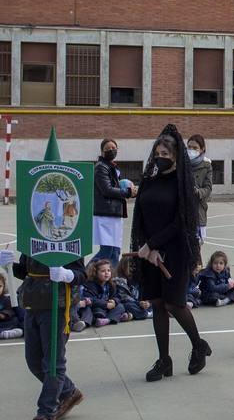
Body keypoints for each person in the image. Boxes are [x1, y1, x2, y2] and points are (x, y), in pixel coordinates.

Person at [130, 124, 209, 382]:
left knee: (174, 303)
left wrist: (153, 245)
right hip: (148, 251)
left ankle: (198, 345)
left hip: (174, 251)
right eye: (158, 154)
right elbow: (139, 215)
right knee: (157, 303)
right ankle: (164, 360)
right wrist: (145, 247)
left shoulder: (183, 185)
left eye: (166, 154)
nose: (161, 158)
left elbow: (181, 222)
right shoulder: (150, 180)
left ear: (176, 156)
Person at [2, 243, 86, 420]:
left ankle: (46, 414)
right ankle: (69, 391)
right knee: (34, 361)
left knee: (53, 363)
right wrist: (9, 265)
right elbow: (25, 271)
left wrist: (68, 275)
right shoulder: (32, 239)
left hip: (57, 305)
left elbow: (82, 274)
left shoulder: (70, 239)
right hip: (33, 301)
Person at [92, 138, 134, 267]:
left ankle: (112, 280)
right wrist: (128, 192)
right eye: (108, 149)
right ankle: (85, 275)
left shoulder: (112, 167)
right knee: (107, 251)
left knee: (115, 252)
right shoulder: (101, 167)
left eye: (113, 148)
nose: (111, 150)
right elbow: (106, 190)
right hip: (105, 214)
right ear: (102, 151)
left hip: (114, 214)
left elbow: (115, 187)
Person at [82, 260, 133, 325]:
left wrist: (114, 301)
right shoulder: (91, 285)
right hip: (98, 308)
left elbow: (117, 296)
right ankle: (116, 317)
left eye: (108, 270)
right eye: (103, 271)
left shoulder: (111, 284)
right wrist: (105, 304)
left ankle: (107, 320)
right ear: (95, 273)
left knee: (120, 306)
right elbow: (91, 299)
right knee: (98, 311)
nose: (107, 273)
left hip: (109, 307)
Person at [188, 135, 213, 251]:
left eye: (195, 148)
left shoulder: (206, 165)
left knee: (196, 248)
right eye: (189, 147)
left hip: (198, 211)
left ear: (202, 149)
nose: (191, 150)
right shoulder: (181, 164)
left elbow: (208, 188)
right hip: (182, 211)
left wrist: (198, 192)